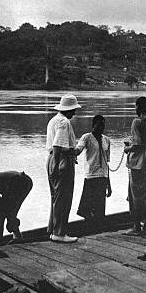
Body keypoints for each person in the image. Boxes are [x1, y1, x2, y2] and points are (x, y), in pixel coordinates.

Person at [46, 94, 81, 243]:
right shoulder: (64, 122)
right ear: (69, 109)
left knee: (56, 197)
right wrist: (58, 165)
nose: (74, 113)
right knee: (63, 198)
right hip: (60, 160)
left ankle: (53, 230)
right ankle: (59, 232)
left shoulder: (53, 120)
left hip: (52, 159)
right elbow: (57, 146)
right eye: (73, 110)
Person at [124, 96, 146, 236]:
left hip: (136, 165)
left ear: (138, 107)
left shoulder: (136, 122)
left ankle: (137, 227)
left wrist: (128, 148)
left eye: (135, 106)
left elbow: (137, 144)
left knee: (134, 196)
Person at [75, 115, 112, 233]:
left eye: (103, 125)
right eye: (99, 125)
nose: (102, 127)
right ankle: (88, 229)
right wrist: (70, 152)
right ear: (93, 125)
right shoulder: (86, 137)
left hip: (103, 176)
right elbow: (78, 149)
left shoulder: (106, 140)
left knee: (100, 207)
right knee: (87, 207)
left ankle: (98, 229)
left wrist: (109, 184)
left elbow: (107, 163)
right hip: (91, 176)